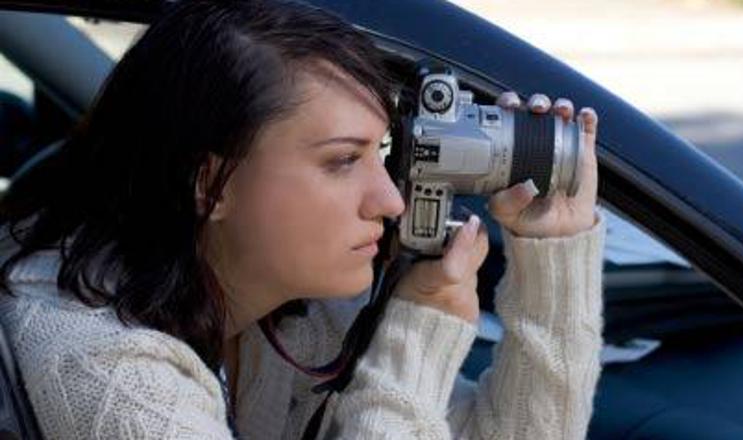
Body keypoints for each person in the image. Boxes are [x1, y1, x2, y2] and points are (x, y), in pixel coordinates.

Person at [0, 0, 605, 438]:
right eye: (342, 161)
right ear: (212, 184)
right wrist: (413, 344)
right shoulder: (97, 364)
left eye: (381, 155)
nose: (389, 201)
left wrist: (551, 255)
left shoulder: (289, 316)